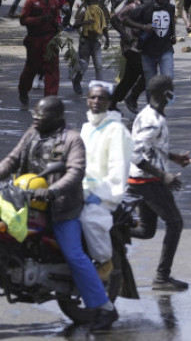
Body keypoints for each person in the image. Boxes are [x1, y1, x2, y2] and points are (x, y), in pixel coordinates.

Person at [0, 97, 119, 330]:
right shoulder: (33, 133)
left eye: (41, 115)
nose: (36, 118)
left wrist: (52, 191)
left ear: (57, 117)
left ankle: (105, 308)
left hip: (62, 207)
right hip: (27, 201)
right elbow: (12, 160)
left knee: (74, 254)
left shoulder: (72, 140)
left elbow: (75, 171)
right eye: (35, 113)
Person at [127, 75, 191, 291]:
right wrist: (163, 175)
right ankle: (162, 277)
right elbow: (134, 152)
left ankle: (110, 230)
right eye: (172, 90)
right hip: (147, 181)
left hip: (141, 179)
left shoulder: (149, 114)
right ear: (166, 94)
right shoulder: (152, 120)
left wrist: (173, 157)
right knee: (175, 223)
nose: (173, 94)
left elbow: (151, 148)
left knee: (146, 230)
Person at [80, 81, 131, 282]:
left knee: (90, 219)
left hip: (103, 193)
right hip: (80, 189)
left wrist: (99, 195)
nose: (96, 101)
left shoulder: (116, 130)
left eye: (101, 98)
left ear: (109, 102)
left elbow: (118, 169)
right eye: (92, 97)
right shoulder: (86, 128)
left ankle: (104, 261)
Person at [17, 0, 66, 107]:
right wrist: (39, 20)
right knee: (32, 68)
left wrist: (58, 25)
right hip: (35, 40)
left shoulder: (53, 1)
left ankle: (50, 99)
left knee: (52, 69)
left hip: (50, 40)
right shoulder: (31, 1)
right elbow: (23, 20)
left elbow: (55, 18)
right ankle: (23, 91)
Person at [122, 0, 177, 86]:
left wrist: (173, 35)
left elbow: (171, 23)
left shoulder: (171, 7)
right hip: (148, 52)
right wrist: (143, 27)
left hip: (166, 50)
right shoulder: (145, 7)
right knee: (150, 84)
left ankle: (165, 96)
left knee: (168, 79)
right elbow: (125, 19)